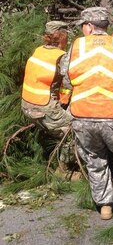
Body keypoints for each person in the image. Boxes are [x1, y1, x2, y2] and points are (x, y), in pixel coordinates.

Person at [60, 7, 113, 220]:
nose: (82, 29)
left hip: (83, 117)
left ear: (90, 26)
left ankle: (105, 206)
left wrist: (64, 103)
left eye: (83, 25)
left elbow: (66, 80)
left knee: (94, 160)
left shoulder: (75, 47)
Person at [21, 21, 76, 177]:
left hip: (26, 105)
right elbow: (68, 83)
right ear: (62, 36)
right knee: (71, 132)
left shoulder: (38, 50)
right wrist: (65, 102)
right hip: (43, 107)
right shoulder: (61, 57)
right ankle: (64, 171)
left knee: (53, 129)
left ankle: (48, 158)